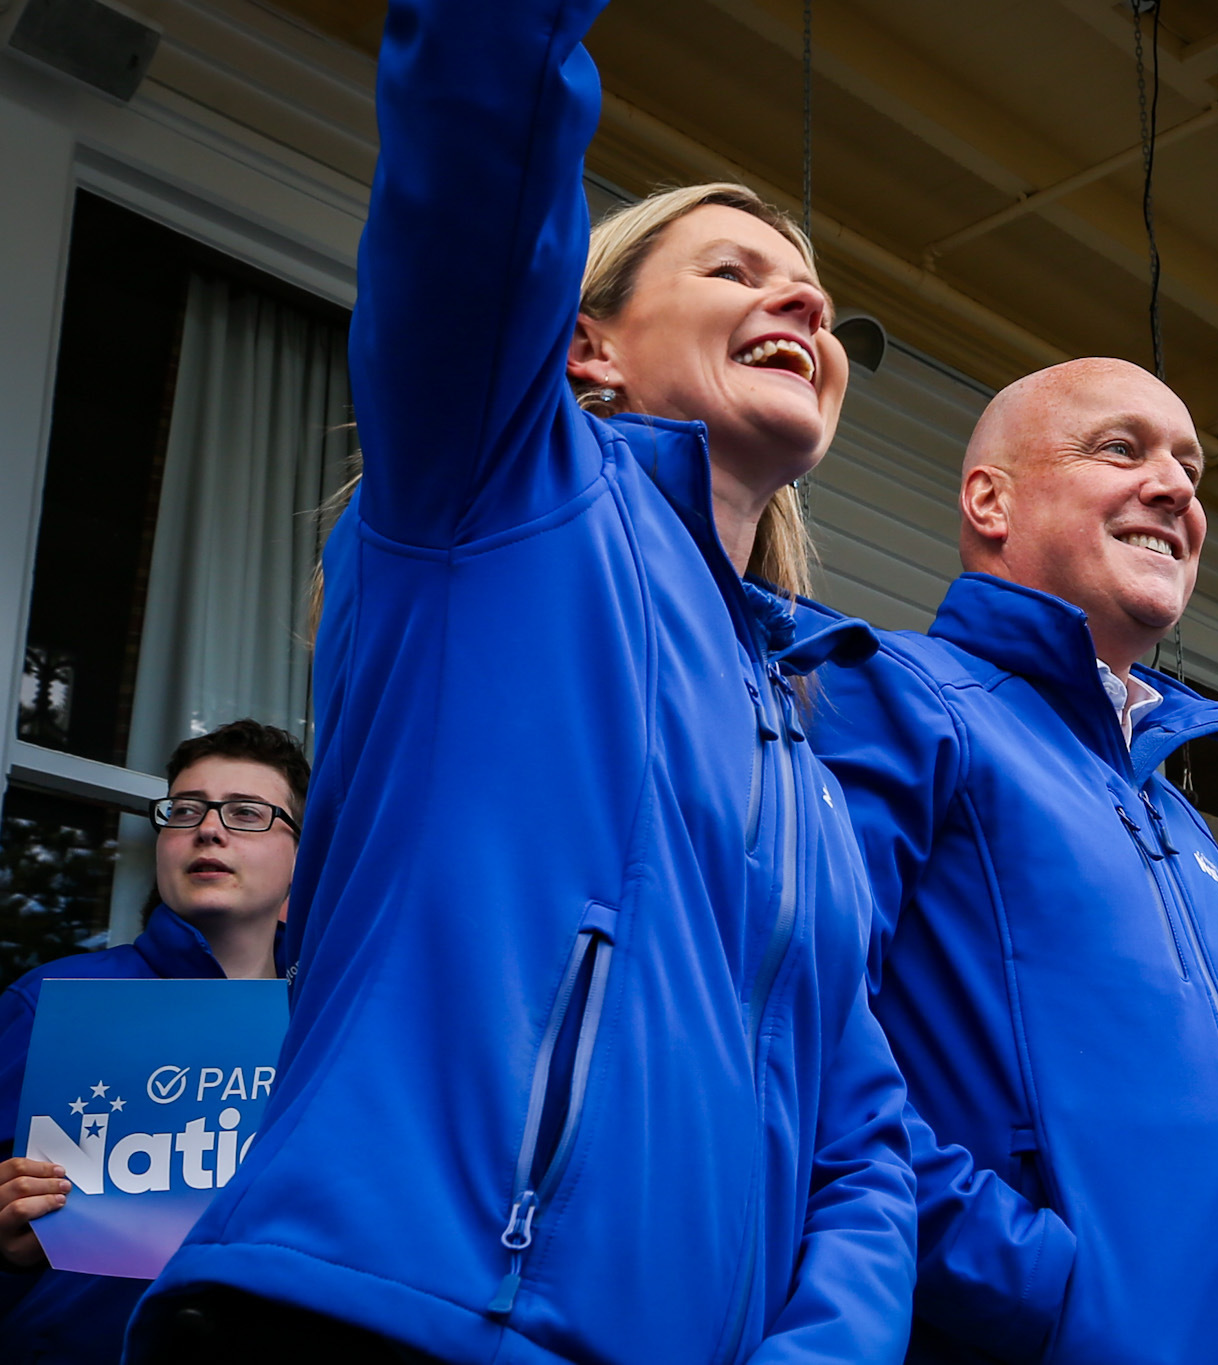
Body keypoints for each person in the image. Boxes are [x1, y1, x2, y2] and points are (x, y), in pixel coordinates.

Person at [128, 0, 916, 1359]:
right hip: (383, 1321)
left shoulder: (803, 737)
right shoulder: (499, 487)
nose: (801, 303)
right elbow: (482, 111)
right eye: (737, 270)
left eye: (823, 305)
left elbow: (865, 1143)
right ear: (583, 345)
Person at [803, 357, 1218, 1363]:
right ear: (990, 500)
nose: (1176, 489)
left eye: (1190, 470)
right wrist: (1029, 1282)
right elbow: (802, 1026)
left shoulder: (1182, 821)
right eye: (1121, 448)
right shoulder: (894, 697)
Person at [0, 719, 302, 1363]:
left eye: (247, 812)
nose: (210, 828)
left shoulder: (332, 1032)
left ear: (302, 863)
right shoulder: (52, 1000)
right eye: (185, 810)